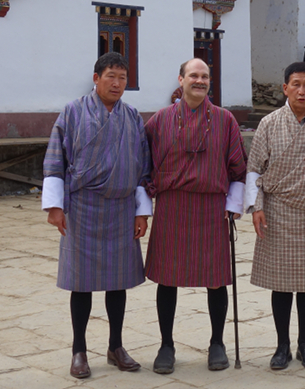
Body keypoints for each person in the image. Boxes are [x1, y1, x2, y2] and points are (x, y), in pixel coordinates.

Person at [42, 52, 152, 379]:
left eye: (122, 78)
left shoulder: (132, 117)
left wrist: (142, 212)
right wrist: (55, 206)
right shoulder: (72, 113)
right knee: (82, 283)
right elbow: (54, 160)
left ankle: (115, 346)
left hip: (120, 207)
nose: (117, 83)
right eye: (111, 76)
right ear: (96, 78)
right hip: (83, 207)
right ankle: (79, 350)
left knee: (118, 282)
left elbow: (142, 168)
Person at [144, 58, 248, 374]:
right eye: (193, 75)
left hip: (211, 208)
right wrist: (142, 207)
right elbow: (142, 163)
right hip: (172, 206)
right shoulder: (159, 121)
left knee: (216, 280)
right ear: (181, 79)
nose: (199, 81)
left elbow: (238, 168)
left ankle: (217, 342)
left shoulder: (225, 119)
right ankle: (166, 344)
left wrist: (233, 205)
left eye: (204, 76)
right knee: (167, 278)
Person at [245, 61, 305, 370]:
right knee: (281, 284)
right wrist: (257, 206)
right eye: (295, 84)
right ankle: (282, 345)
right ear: (284, 88)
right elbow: (254, 169)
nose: (301, 90)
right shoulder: (269, 123)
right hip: (278, 212)